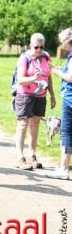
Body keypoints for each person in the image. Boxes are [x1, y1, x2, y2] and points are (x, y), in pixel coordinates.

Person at [14, 33, 56, 170]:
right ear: (31, 45)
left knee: (35, 124)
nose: (39, 50)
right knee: (22, 124)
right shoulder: (24, 58)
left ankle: (32, 155)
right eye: (36, 47)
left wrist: (52, 95)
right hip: (25, 95)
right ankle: (20, 157)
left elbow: (48, 77)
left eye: (41, 47)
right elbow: (20, 79)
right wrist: (34, 77)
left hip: (40, 96)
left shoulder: (46, 56)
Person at [46, 27, 72, 180]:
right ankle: (63, 165)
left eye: (63, 42)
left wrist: (57, 72)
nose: (62, 45)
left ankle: (64, 168)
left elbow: (70, 78)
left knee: (67, 132)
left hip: (69, 98)